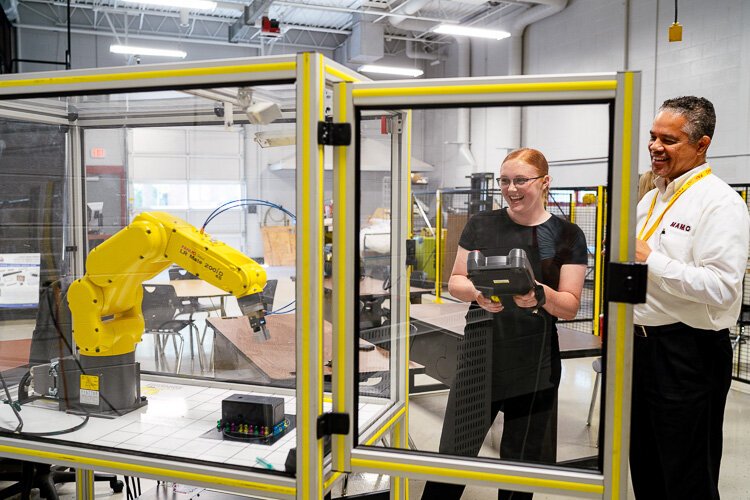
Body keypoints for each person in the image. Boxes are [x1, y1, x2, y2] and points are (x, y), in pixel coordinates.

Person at [421, 148, 588, 500]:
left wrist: (541, 294)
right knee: (452, 457)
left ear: (545, 182)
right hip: (480, 356)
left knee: (520, 470)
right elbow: (456, 280)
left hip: (535, 362)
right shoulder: (482, 224)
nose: (511, 189)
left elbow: (571, 305)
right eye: (505, 181)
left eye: (521, 181)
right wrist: (478, 294)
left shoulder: (567, 235)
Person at [631, 96, 750, 500]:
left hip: (687, 355)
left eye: (669, 139)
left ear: (702, 144)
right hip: (640, 350)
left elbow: (721, 287)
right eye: (652, 137)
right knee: (644, 465)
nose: (655, 147)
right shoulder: (651, 200)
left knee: (686, 475)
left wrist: (651, 261)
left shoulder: (720, 203)